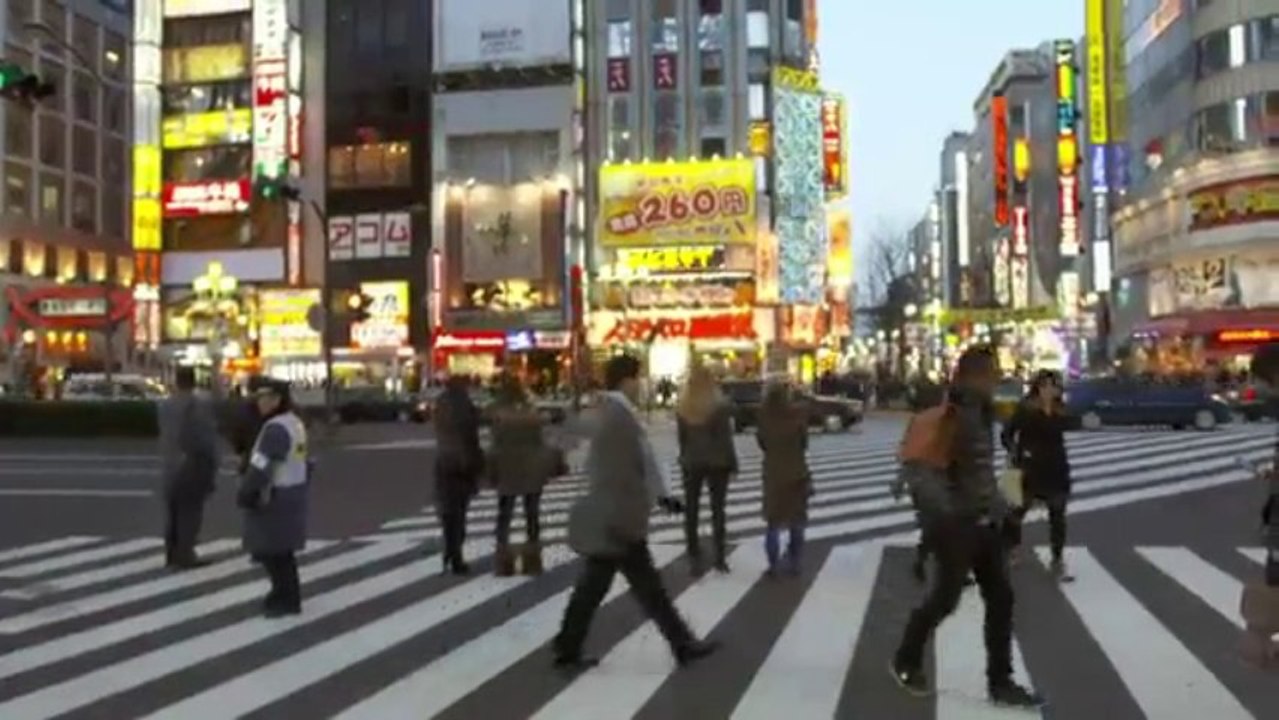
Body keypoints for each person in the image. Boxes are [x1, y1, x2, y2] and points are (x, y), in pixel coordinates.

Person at [892, 345, 1045, 708]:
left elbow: (980, 473)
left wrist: (1003, 509)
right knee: (944, 599)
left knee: (1001, 598)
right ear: (975, 376)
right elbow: (922, 471)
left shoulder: (980, 412)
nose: (997, 380)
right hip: (958, 525)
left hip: (982, 522)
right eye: (992, 374)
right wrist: (946, 516)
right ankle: (906, 658)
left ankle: (1000, 681)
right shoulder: (952, 415)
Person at [554, 354, 718, 670]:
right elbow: (627, 466)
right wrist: (650, 499)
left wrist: (661, 495)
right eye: (637, 378)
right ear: (626, 380)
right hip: (618, 515)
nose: (640, 385)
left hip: (614, 514)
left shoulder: (612, 410)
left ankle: (568, 646)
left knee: (607, 585)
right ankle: (682, 644)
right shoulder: (616, 414)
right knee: (642, 588)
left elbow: (636, 459)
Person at [236, 380, 310, 617]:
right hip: (294, 490)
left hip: (274, 495)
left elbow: (261, 465)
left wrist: (247, 491)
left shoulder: (275, 429)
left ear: (278, 399)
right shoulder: (295, 423)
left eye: (264, 397)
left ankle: (285, 598)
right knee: (282, 551)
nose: (260, 403)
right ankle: (283, 595)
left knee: (273, 551)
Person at [1000, 370, 1073, 580]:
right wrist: (1016, 452)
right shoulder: (1026, 409)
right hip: (1028, 467)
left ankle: (1057, 559)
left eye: (1053, 386)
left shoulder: (1061, 410)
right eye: (1044, 386)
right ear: (1037, 388)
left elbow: (1071, 425)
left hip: (1056, 467)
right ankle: (1012, 550)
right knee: (1016, 512)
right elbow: (1006, 434)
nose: (1049, 390)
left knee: (1057, 515)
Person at [488, 375, 555, 576]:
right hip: (531, 468)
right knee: (532, 514)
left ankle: (503, 559)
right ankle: (532, 558)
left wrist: (491, 471)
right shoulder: (531, 414)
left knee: (505, 514)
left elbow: (495, 444)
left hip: (507, 468)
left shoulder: (500, 416)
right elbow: (540, 441)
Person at [676, 366, 739, 575]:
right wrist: (733, 463)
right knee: (718, 509)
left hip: (692, 461)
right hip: (717, 462)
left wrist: (684, 456)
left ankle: (693, 554)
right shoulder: (719, 406)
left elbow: (682, 439)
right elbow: (725, 438)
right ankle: (719, 557)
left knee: (691, 509)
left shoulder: (683, 407)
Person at [157, 366, 220, 569]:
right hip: (193, 463)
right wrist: (213, 463)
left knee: (174, 511)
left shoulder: (165, 405)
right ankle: (186, 554)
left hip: (170, 463)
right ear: (194, 381)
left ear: (176, 381)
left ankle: (172, 553)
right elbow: (204, 439)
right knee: (190, 511)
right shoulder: (199, 405)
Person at [757, 380, 811, 576]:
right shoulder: (797, 416)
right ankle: (795, 563)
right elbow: (804, 443)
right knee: (797, 520)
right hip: (797, 472)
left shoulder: (765, 418)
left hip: (773, 474)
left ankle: (773, 565)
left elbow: (762, 443)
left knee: (773, 522)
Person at [434, 375, 484, 575]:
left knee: (448, 510)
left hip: (444, 462)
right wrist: (478, 463)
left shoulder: (441, 403)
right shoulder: (463, 405)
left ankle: (449, 549)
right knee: (459, 512)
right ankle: (456, 554)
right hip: (461, 464)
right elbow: (470, 435)